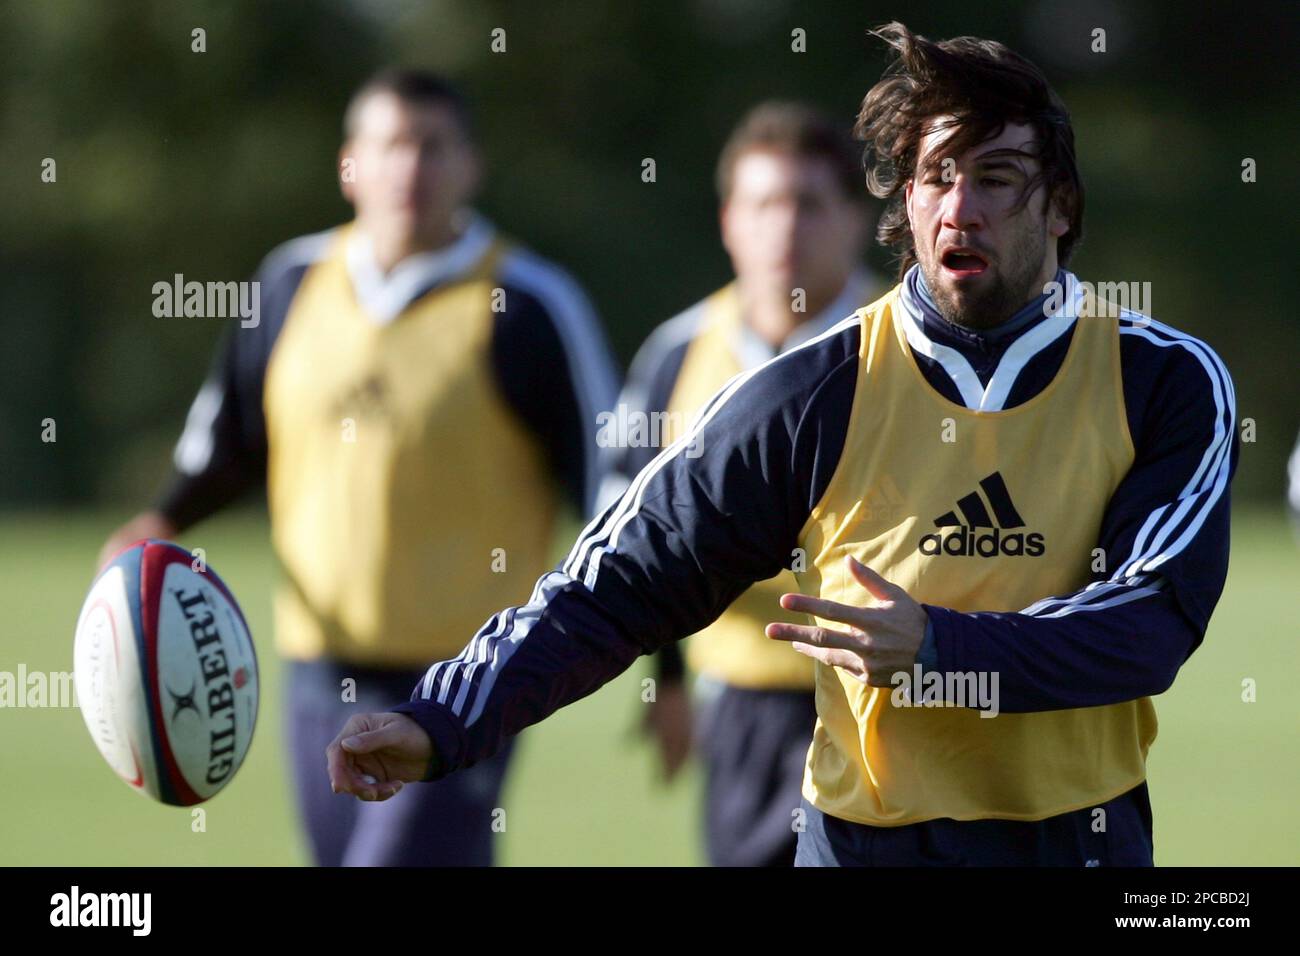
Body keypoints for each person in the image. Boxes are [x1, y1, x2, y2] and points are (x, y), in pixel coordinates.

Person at [327, 24, 1239, 867]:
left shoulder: (1165, 380)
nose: (962, 208)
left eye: (997, 177)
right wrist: (443, 718)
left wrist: (939, 650)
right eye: (937, 175)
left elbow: (1148, 622)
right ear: (907, 202)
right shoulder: (811, 392)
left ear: (1062, 208)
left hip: (1078, 842)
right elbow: (615, 586)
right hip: (862, 844)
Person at [99, 69, 619, 866]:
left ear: (471, 165)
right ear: (350, 165)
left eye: (433, 148)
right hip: (315, 670)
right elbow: (226, 445)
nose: (409, 169)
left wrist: (671, 671)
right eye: (388, 146)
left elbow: (613, 497)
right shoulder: (288, 283)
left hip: (466, 677)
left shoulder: (528, 303)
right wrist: (159, 522)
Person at [602, 100, 884, 866]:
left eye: (809, 203)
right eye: (763, 204)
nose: (783, 228)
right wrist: (664, 683)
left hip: (890, 703)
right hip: (742, 705)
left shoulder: (909, 348)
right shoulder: (676, 354)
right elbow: (629, 536)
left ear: (856, 221)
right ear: (729, 220)